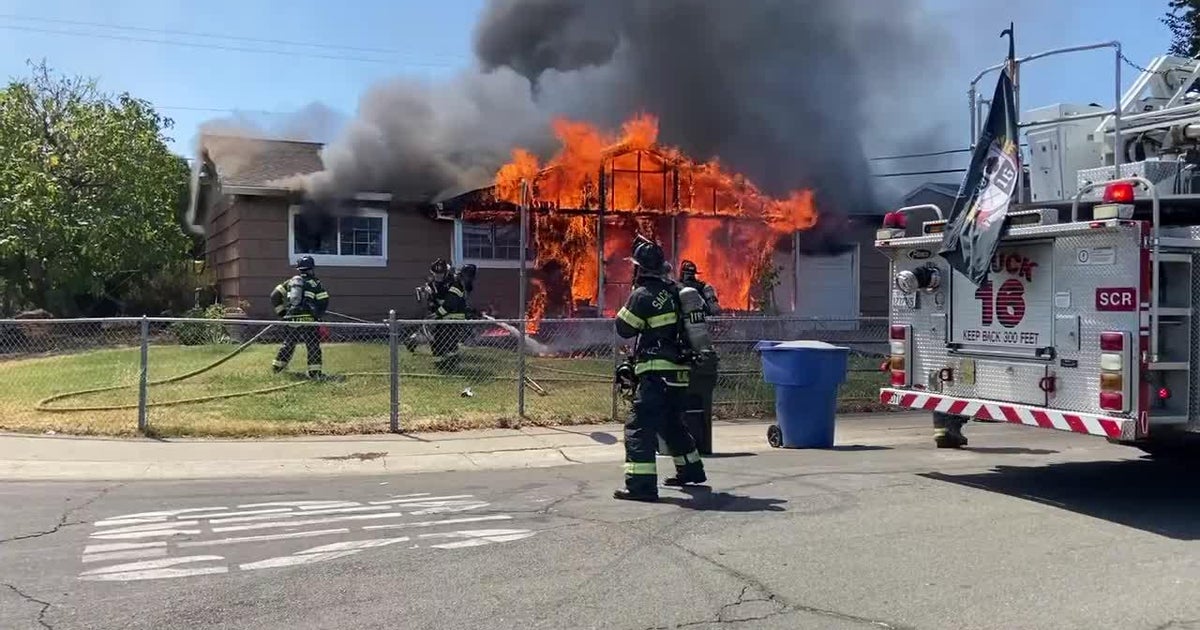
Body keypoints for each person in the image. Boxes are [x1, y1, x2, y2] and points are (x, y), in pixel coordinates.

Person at [613, 235, 707, 502]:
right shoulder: (676, 292)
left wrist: (633, 299)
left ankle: (641, 486)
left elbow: (624, 328)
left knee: (638, 427)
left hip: (656, 373)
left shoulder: (642, 295)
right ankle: (691, 471)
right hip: (680, 372)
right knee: (671, 424)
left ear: (639, 268)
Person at [676, 260, 720, 455]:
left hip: (686, 342)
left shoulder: (679, 289)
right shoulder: (701, 289)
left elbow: (714, 310)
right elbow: (714, 309)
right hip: (700, 342)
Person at [270, 255, 329, 379]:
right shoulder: (315, 283)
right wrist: (317, 314)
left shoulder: (290, 282)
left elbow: (274, 296)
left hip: (291, 319)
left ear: (299, 269)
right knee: (312, 345)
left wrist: (282, 313)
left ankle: (276, 369)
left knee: (288, 344)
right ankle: (315, 373)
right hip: (309, 321)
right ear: (311, 269)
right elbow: (324, 300)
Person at [426, 258, 468, 361]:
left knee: (448, 342)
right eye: (436, 274)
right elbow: (433, 302)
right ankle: (442, 362)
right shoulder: (434, 284)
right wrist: (430, 295)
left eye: (440, 274)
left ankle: (452, 361)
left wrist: (435, 315)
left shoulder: (455, 283)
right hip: (441, 318)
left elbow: (450, 304)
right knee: (436, 342)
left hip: (454, 318)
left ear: (446, 273)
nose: (438, 277)